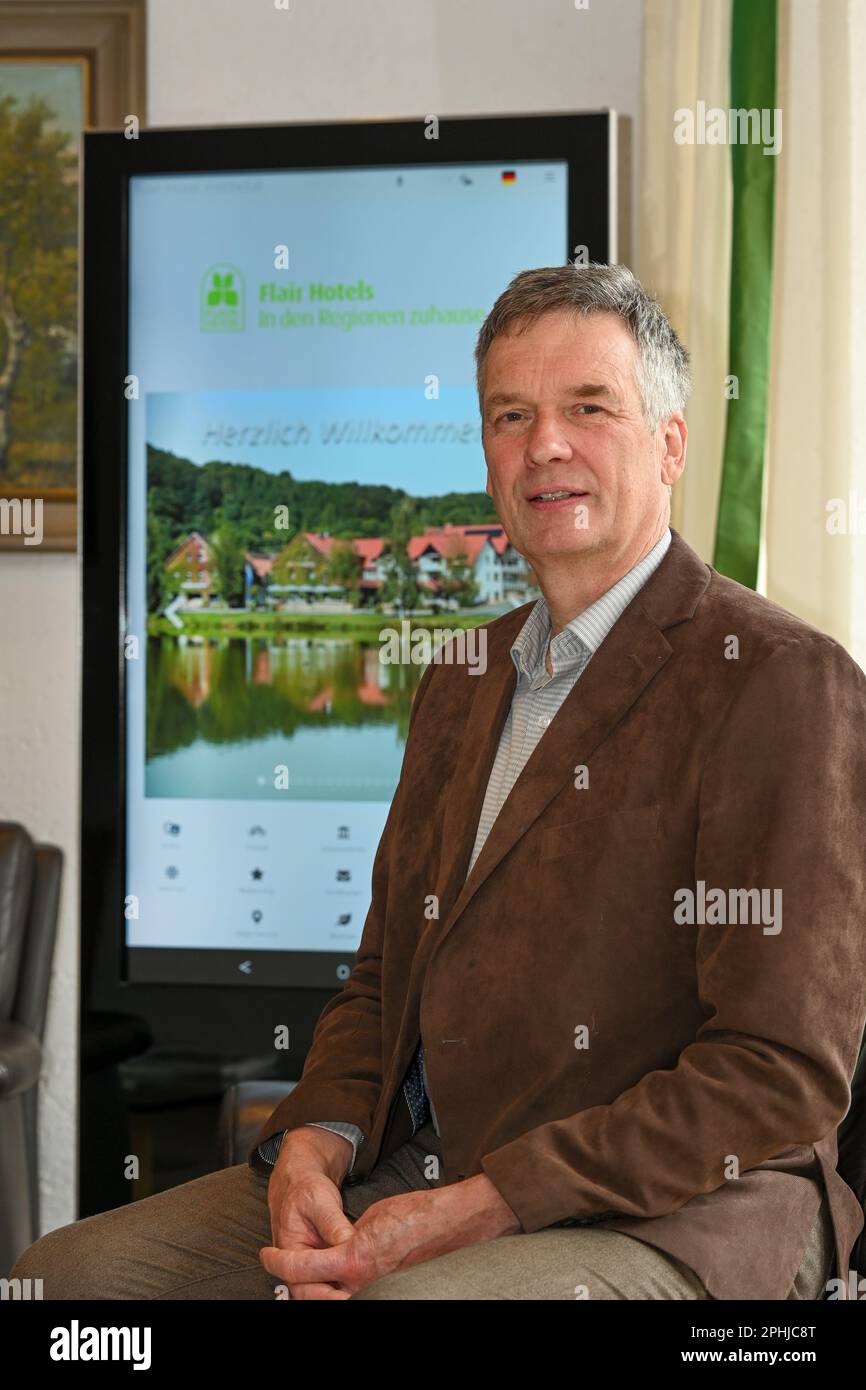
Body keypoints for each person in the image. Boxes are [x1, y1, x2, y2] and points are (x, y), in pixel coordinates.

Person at [12, 263, 865, 1300]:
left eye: (586, 408)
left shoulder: (778, 677)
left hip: (676, 1211)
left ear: (670, 442)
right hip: (411, 1166)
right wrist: (313, 1147)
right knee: (65, 1280)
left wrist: (488, 1200)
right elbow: (380, 982)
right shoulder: (458, 677)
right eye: (511, 415)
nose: (543, 444)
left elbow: (778, 1073)